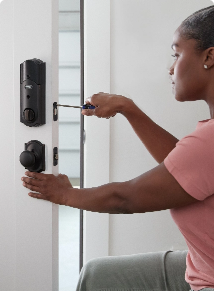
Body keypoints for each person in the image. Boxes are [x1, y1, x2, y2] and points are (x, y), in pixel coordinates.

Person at [21, 5, 214, 291]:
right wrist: (127, 108)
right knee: (98, 275)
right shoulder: (205, 142)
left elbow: (125, 198)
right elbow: (184, 168)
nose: (171, 68)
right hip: (203, 265)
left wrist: (65, 194)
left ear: (209, 57)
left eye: (176, 54)